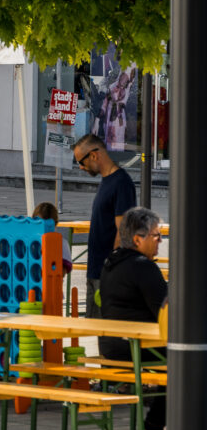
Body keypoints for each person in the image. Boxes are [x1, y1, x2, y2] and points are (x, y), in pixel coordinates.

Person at [98, 207, 168, 430]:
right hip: (135, 347)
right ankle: (156, 423)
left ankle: (156, 422)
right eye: (156, 235)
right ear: (138, 239)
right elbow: (165, 311)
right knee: (188, 354)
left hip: (111, 346)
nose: (160, 241)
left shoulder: (112, 262)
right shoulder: (143, 267)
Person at [72, 133, 136, 317]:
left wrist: (110, 269)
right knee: (96, 330)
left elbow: (123, 231)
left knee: (107, 334)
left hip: (106, 273)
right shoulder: (107, 181)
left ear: (94, 154)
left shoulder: (121, 182)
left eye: (81, 162)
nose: (81, 167)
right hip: (96, 270)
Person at [32, 202, 73, 274]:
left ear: (55, 225)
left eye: (48, 227)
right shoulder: (30, 243)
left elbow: (63, 271)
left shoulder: (61, 243)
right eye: (39, 225)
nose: (43, 231)